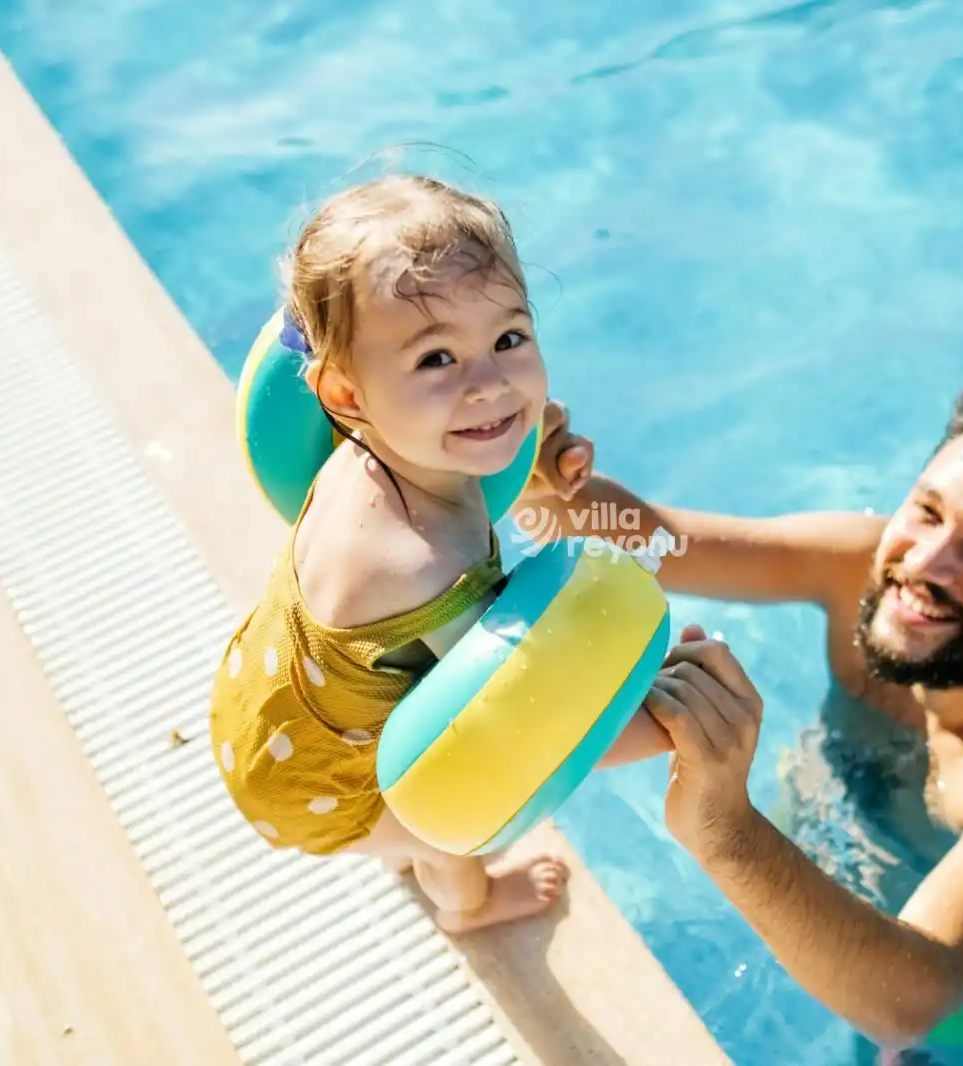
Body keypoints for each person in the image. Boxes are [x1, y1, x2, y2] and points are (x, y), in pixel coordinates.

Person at [533, 364, 963, 1062]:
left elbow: (912, 1001)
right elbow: (656, 539)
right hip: (836, 872)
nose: (924, 563)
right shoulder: (862, 566)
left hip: (956, 1009)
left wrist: (724, 827)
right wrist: (549, 493)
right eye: (926, 510)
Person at [207, 174, 667, 936]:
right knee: (444, 833)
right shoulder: (422, 563)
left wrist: (539, 461)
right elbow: (516, 723)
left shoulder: (358, 449)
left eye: (509, 340)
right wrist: (663, 716)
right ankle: (469, 909)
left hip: (259, 710)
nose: (489, 385)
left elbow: (474, 446)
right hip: (323, 787)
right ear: (347, 393)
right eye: (435, 361)